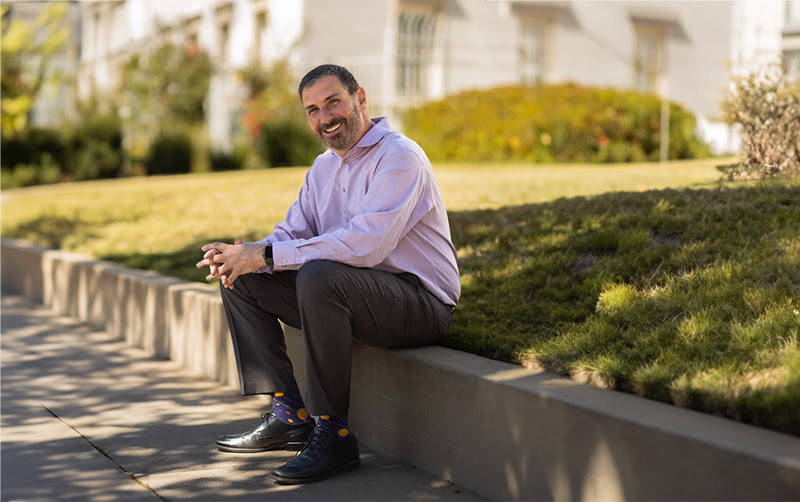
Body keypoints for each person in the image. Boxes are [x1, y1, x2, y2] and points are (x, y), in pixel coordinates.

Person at [196, 64, 460, 485]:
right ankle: (289, 414)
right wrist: (243, 255)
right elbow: (291, 233)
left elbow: (365, 245)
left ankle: (333, 435)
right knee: (242, 276)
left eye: (333, 101)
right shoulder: (323, 168)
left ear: (360, 98)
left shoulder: (400, 157)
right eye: (313, 110)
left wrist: (266, 254)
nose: (324, 117)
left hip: (418, 304)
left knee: (318, 274)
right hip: (351, 297)